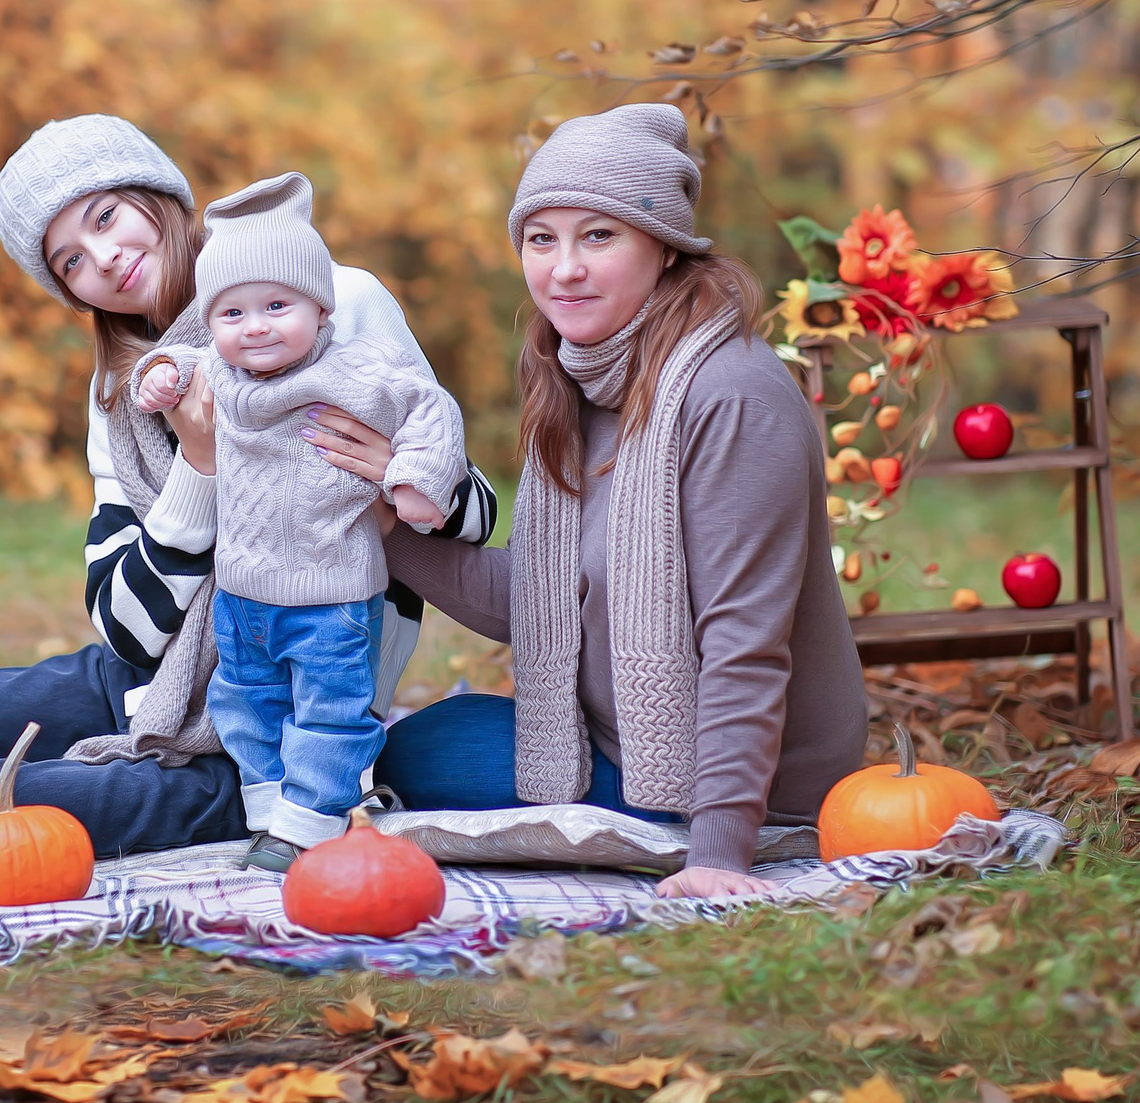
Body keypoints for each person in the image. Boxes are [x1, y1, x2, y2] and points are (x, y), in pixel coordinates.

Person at [0, 114, 498, 878]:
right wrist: (198, 468)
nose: (104, 257)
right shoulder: (122, 397)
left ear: (155, 196)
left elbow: (475, 510)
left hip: (278, 724)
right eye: (70, 260)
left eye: (106, 217)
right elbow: (126, 631)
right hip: (144, 683)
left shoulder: (329, 299)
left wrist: (394, 479)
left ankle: (246, 803)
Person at [363, 103, 871, 898]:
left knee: (411, 754)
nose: (564, 269)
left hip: (747, 786)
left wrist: (720, 852)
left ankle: (697, 822)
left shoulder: (730, 394)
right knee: (400, 743)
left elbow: (746, 639)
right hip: (612, 741)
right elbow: (537, 599)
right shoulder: (575, 378)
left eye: (598, 236)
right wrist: (382, 513)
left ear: (665, 249)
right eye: (542, 239)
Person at [133, 173, 468, 870]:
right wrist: (161, 374)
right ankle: (270, 813)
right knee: (243, 702)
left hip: (330, 594)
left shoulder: (355, 369)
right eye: (231, 313)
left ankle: (309, 822)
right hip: (242, 595)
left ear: (320, 310)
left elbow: (431, 408)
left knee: (330, 710)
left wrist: (416, 480)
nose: (254, 325)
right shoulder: (221, 372)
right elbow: (178, 358)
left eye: (276, 305)